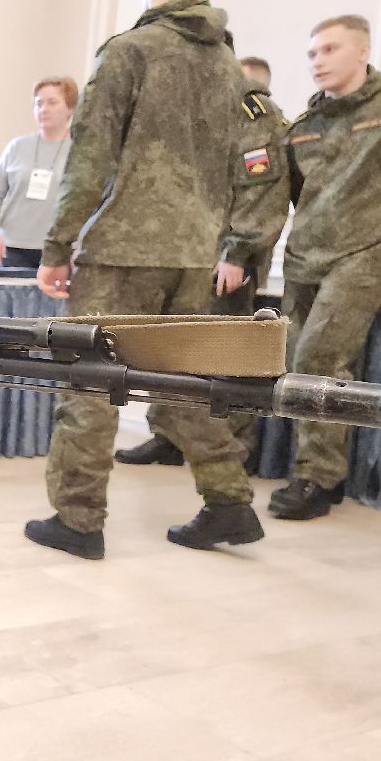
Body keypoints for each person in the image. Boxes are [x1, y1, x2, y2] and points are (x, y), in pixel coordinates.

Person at [27, 0, 264, 560]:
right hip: (193, 252)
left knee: (91, 379)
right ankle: (229, 501)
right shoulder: (230, 68)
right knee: (182, 380)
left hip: (124, 248)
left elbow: (91, 158)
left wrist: (56, 246)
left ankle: (77, 520)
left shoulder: (129, 52)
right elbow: (245, 165)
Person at [268, 15, 381, 520]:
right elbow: (299, 197)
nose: (317, 61)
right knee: (294, 363)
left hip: (365, 257)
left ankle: (317, 479)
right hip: (304, 259)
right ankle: (314, 468)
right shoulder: (304, 126)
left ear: (363, 50)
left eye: (328, 50)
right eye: (311, 54)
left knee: (318, 359)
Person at [116, 58, 291, 468]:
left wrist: (237, 253)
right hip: (188, 253)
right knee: (175, 350)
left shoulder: (254, 114)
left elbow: (261, 193)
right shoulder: (205, 112)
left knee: (226, 355)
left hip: (225, 259)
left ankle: (233, 447)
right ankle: (170, 436)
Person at [0, 77, 78, 270]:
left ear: (69, 108)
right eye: (39, 103)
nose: (44, 109)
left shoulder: (80, 152)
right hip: (13, 247)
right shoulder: (16, 147)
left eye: (52, 103)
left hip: (60, 249)